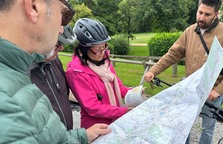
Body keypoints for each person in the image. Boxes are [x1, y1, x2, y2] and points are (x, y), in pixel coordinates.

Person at [0, 0, 110, 143]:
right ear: (34, 6)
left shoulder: (17, 72)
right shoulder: (6, 102)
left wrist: (82, 136)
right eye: (62, 14)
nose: (61, 30)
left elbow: (47, 137)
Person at [144, 0, 223, 144]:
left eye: (207, 14)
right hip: (189, 90)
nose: (202, 17)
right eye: (200, 12)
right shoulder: (190, 31)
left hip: (211, 94)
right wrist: (153, 70)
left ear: (216, 14)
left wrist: (218, 91)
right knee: (182, 125)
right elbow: (173, 54)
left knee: (207, 129)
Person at [66, 18, 134, 129]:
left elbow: (119, 87)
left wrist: (134, 93)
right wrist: (123, 111)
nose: (102, 52)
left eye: (104, 46)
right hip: (96, 127)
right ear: (84, 49)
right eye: (98, 49)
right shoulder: (75, 72)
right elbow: (93, 107)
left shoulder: (105, 62)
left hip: (114, 120)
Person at [29, 25, 76, 130]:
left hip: (65, 135)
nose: (62, 48)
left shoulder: (54, 61)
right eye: (57, 43)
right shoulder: (22, 73)